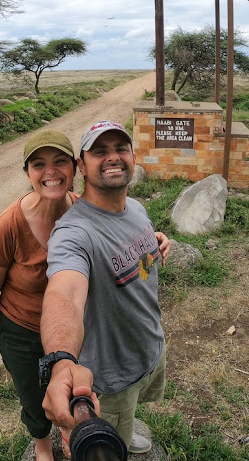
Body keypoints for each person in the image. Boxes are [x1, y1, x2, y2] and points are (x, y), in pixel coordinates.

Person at [39, 120, 171, 455]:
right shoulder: (74, 233)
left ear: (133, 157)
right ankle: (120, 437)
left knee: (132, 409)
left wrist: (156, 247)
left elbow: (135, 260)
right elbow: (64, 293)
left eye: (120, 149)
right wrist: (62, 361)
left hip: (148, 349)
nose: (112, 157)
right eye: (99, 151)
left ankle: (126, 429)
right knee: (110, 443)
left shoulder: (137, 209)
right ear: (81, 165)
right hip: (109, 379)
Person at [0, 129, 79, 461]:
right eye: (39, 164)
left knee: (75, 385)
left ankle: (71, 431)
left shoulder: (83, 212)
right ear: (27, 174)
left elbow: (117, 233)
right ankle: (42, 445)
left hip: (70, 328)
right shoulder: (7, 226)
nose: (50, 172)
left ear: (75, 168)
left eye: (60, 161)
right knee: (33, 394)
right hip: (21, 329)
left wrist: (151, 238)